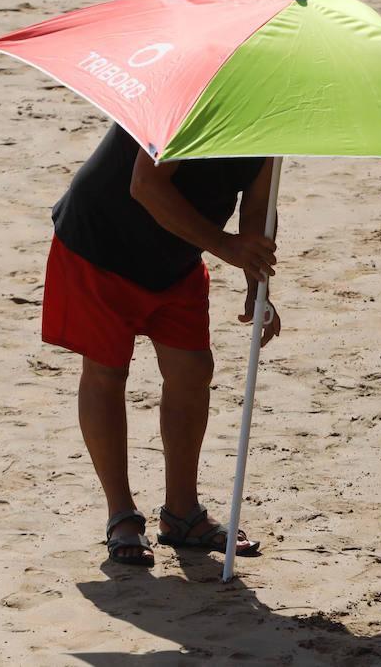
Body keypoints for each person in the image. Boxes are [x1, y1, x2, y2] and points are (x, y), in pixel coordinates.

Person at [41, 122, 281, 567]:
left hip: (177, 254)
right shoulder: (186, 103)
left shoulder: (271, 123)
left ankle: (182, 513)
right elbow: (145, 185)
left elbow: (258, 209)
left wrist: (256, 282)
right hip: (99, 242)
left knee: (192, 369)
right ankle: (122, 515)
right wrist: (226, 247)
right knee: (108, 370)